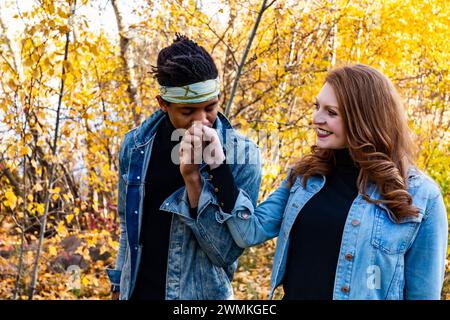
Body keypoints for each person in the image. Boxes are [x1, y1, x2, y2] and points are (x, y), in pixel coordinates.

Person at [222, 64, 448, 299]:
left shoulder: (421, 197)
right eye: (317, 107)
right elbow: (249, 231)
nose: (316, 118)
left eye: (331, 113)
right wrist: (219, 168)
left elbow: (423, 294)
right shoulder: (304, 176)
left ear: (364, 120)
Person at [106, 34, 262, 300]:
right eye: (188, 112)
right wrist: (119, 284)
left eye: (210, 108)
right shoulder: (135, 146)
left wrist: (193, 179)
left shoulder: (243, 155)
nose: (202, 121)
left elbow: (225, 253)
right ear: (163, 104)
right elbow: (126, 223)